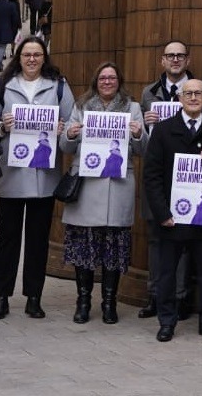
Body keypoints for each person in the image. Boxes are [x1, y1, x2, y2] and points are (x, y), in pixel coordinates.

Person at [0, 36, 74, 320]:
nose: (32, 59)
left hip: (43, 177)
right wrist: (2, 127)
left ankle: (34, 297)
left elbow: (71, 124)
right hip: (11, 175)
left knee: (38, 239)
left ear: (44, 58)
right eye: (27, 54)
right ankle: (2, 296)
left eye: (37, 54)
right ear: (19, 57)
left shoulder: (58, 85)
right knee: (7, 238)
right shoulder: (3, 84)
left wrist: (63, 129)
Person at [63, 62, 146, 325]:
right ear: (95, 82)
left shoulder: (132, 108)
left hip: (117, 186)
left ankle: (110, 302)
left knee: (114, 247)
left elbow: (144, 149)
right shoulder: (81, 106)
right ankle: (83, 301)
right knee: (84, 247)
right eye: (102, 78)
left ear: (119, 81)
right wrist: (70, 133)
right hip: (86, 186)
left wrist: (138, 134)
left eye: (112, 78)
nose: (107, 82)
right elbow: (65, 146)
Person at [144, 78, 202, 342]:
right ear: (179, 98)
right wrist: (162, 213)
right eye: (188, 93)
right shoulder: (163, 130)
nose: (193, 98)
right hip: (172, 218)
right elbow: (152, 176)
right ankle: (167, 321)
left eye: (198, 93)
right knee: (167, 273)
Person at [139, 40, 196, 319]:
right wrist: (145, 124)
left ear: (187, 60)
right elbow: (142, 141)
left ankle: (180, 297)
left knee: (184, 241)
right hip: (159, 175)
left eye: (180, 56)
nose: (175, 60)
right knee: (156, 239)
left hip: (188, 176)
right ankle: (155, 296)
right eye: (170, 56)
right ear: (162, 60)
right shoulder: (149, 93)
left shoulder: (200, 90)